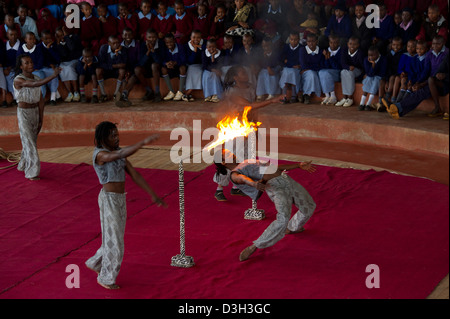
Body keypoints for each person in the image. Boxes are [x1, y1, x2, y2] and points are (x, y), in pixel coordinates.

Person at [85, 121, 167, 290]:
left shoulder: (118, 153)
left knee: (114, 237)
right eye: (112, 135)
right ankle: (106, 277)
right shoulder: (100, 154)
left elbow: (134, 174)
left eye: (117, 134)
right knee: (116, 241)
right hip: (108, 199)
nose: (116, 138)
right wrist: (143, 143)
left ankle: (95, 262)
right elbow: (116, 156)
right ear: (103, 138)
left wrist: (152, 194)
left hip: (120, 199)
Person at [214, 148, 316, 261]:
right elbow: (243, 179)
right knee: (283, 218)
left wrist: (298, 165)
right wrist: (254, 184)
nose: (231, 153)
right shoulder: (234, 174)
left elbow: (275, 168)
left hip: (286, 180)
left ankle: (292, 227)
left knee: (309, 205)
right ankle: (255, 246)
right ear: (223, 162)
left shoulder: (248, 161)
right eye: (227, 154)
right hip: (275, 188)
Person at [13, 54, 60, 180]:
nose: (30, 64)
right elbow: (34, 84)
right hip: (23, 113)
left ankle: (22, 164)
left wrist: (41, 118)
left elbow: (40, 100)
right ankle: (32, 172)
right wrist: (53, 76)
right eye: (26, 63)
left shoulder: (37, 77)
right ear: (21, 66)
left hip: (35, 112)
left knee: (30, 140)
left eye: (31, 62)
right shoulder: (18, 79)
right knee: (29, 143)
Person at [96, 35, 128, 105]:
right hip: (106, 71)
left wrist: (117, 54)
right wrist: (114, 66)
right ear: (109, 43)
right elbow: (100, 64)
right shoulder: (103, 48)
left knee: (122, 71)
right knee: (98, 70)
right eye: (113, 43)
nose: (116, 45)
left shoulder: (123, 49)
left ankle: (116, 94)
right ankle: (103, 94)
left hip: (116, 72)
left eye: (117, 43)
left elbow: (123, 64)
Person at [54, 26, 82, 103]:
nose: (61, 37)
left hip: (75, 59)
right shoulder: (58, 43)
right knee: (62, 68)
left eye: (62, 34)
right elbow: (64, 54)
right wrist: (59, 43)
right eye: (59, 36)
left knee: (69, 68)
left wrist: (66, 37)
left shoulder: (74, 37)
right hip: (65, 62)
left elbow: (72, 48)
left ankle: (76, 92)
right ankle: (70, 93)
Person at [336, 36, 365, 107]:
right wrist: (348, 67)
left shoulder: (360, 53)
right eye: (350, 44)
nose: (352, 46)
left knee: (349, 73)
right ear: (347, 44)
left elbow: (363, 67)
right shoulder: (344, 50)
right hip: (348, 70)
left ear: (358, 45)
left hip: (358, 71)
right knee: (343, 72)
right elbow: (342, 63)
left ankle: (350, 97)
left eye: (354, 44)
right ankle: (344, 97)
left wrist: (359, 77)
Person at [138, 28, 163, 102]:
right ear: (146, 37)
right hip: (147, 68)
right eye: (149, 37)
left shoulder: (160, 43)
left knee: (154, 65)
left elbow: (159, 61)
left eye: (154, 37)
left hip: (158, 69)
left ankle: (157, 92)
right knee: (137, 70)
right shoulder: (143, 45)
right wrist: (148, 51)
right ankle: (149, 91)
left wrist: (153, 50)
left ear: (157, 37)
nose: (152, 39)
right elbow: (141, 63)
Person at [359, 46, 387, 111]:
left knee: (376, 81)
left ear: (378, 54)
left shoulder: (383, 59)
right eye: (369, 55)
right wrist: (373, 65)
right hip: (371, 76)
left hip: (379, 76)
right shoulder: (366, 60)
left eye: (373, 55)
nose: (371, 57)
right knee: (368, 79)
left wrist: (374, 66)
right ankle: (362, 103)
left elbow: (382, 73)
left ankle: (368, 104)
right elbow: (369, 74)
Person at [161, 33, 187, 101]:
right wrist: (166, 63)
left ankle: (180, 92)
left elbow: (184, 60)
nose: (169, 44)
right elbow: (162, 60)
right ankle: (171, 92)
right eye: (167, 42)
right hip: (170, 69)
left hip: (178, 67)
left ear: (174, 41)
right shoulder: (165, 49)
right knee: (163, 69)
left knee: (183, 68)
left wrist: (175, 63)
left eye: (171, 42)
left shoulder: (180, 47)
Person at [299, 33, 324, 104]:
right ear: (306, 42)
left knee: (313, 73)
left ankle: (306, 95)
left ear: (316, 41)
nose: (311, 43)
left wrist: (310, 68)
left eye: (313, 41)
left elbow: (321, 65)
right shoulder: (303, 50)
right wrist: (314, 67)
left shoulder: (321, 51)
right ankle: (307, 95)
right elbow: (303, 65)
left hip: (315, 71)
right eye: (309, 41)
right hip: (306, 72)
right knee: (311, 74)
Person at [255, 36, 281, 101]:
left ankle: (271, 94)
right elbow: (261, 64)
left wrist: (269, 68)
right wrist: (266, 58)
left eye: (267, 46)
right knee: (262, 74)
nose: (265, 48)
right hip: (265, 69)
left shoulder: (276, 52)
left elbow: (277, 64)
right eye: (264, 46)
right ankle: (261, 94)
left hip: (276, 68)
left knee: (271, 75)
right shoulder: (261, 53)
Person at [279, 31, 302, 104]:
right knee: (286, 73)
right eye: (291, 39)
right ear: (289, 39)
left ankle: (294, 96)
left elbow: (300, 61)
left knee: (294, 73)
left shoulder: (302, 48)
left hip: (297, 69)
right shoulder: (286, 47)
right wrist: (289, 63)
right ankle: (285, 96)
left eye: (295, 39)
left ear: (299, 39)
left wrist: (288, 62)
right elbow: (282, 59)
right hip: (287, 68)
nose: (293, 41)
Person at [319, 34, 342, 105]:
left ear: (338, 43)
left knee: (326, 73)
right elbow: (324, 66)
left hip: (337, 73)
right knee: (321, 72)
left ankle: (333, 96)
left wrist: (330, 58)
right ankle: (327, 96)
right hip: (328, 72)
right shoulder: (325, 51)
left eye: (335, 42)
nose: (333, 45)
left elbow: (338, 67)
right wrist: (326, 58)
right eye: (331, 42)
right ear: (329, 43)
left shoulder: (341, 51)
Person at [391, 39, 416, 103]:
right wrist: (401, 72)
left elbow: (415, 70)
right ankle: (393, 98)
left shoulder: (417, 57)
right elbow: (400, 67)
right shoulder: (404, 55)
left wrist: (407, 75)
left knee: (404, 81)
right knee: (397, 78)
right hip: (404, 74)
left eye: (412, 47)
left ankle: (400, 101)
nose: (410, 48)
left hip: (411, 76)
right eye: (408, 46)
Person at [183, 30, 204, 102]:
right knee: (193, 70)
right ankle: (187, 92)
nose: (196, 39)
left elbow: (204, 57)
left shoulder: (204, 44)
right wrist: (195, 49)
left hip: (202, 65)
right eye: (193, 37)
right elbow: (191, 61)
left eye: (198, 38)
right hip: (191, 65)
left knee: (200, 71)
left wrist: (199, 47)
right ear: (190, 37)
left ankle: (187, 93)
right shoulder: (186, 46)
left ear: (201, 38)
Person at [2, 28, 20, 107]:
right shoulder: (4, 46)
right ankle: (15, 98)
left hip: (18, 67)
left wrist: (10, 68)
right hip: (8, 68)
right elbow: (3, 59)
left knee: (17, 77)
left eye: (15, 35)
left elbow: (20, 59)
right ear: (7, 35)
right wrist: (6, 68)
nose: (13, 37)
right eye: (11, 35)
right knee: (8, 77)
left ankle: (18, 98)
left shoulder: (20, 45)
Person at [202, 38, 223, 102]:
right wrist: (212, 69)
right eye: (209, 47)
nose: (211, 49)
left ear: (216, 47)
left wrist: (213, 56)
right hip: (207, 69)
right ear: (206, 47)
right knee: (206, 75)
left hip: (216, 70)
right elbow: (205, 65)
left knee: (214, 76)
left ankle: (215, 95)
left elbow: (218, 64)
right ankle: (208, 95)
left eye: (213, 47)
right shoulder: (204, 53)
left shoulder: (219, 53)